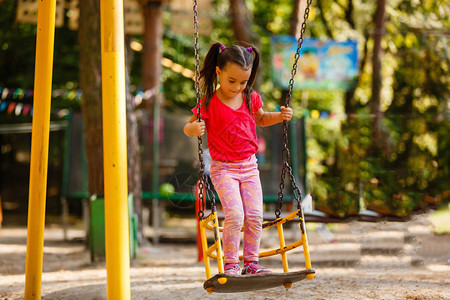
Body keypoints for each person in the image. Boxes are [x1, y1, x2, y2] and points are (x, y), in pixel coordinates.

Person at [183, 42, 293, 276]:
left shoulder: (251, 97)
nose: (237, 87)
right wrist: (193, 130)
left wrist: (281, 116)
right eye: (231, 81)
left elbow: (261, 119)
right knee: (235, 214)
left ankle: (251, 263)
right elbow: (188, 127)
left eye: (243, 82)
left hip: (250, 167)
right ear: (219, 72)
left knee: (254, 216)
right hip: (223, 169)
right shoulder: (209, 101)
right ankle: (231, 263)